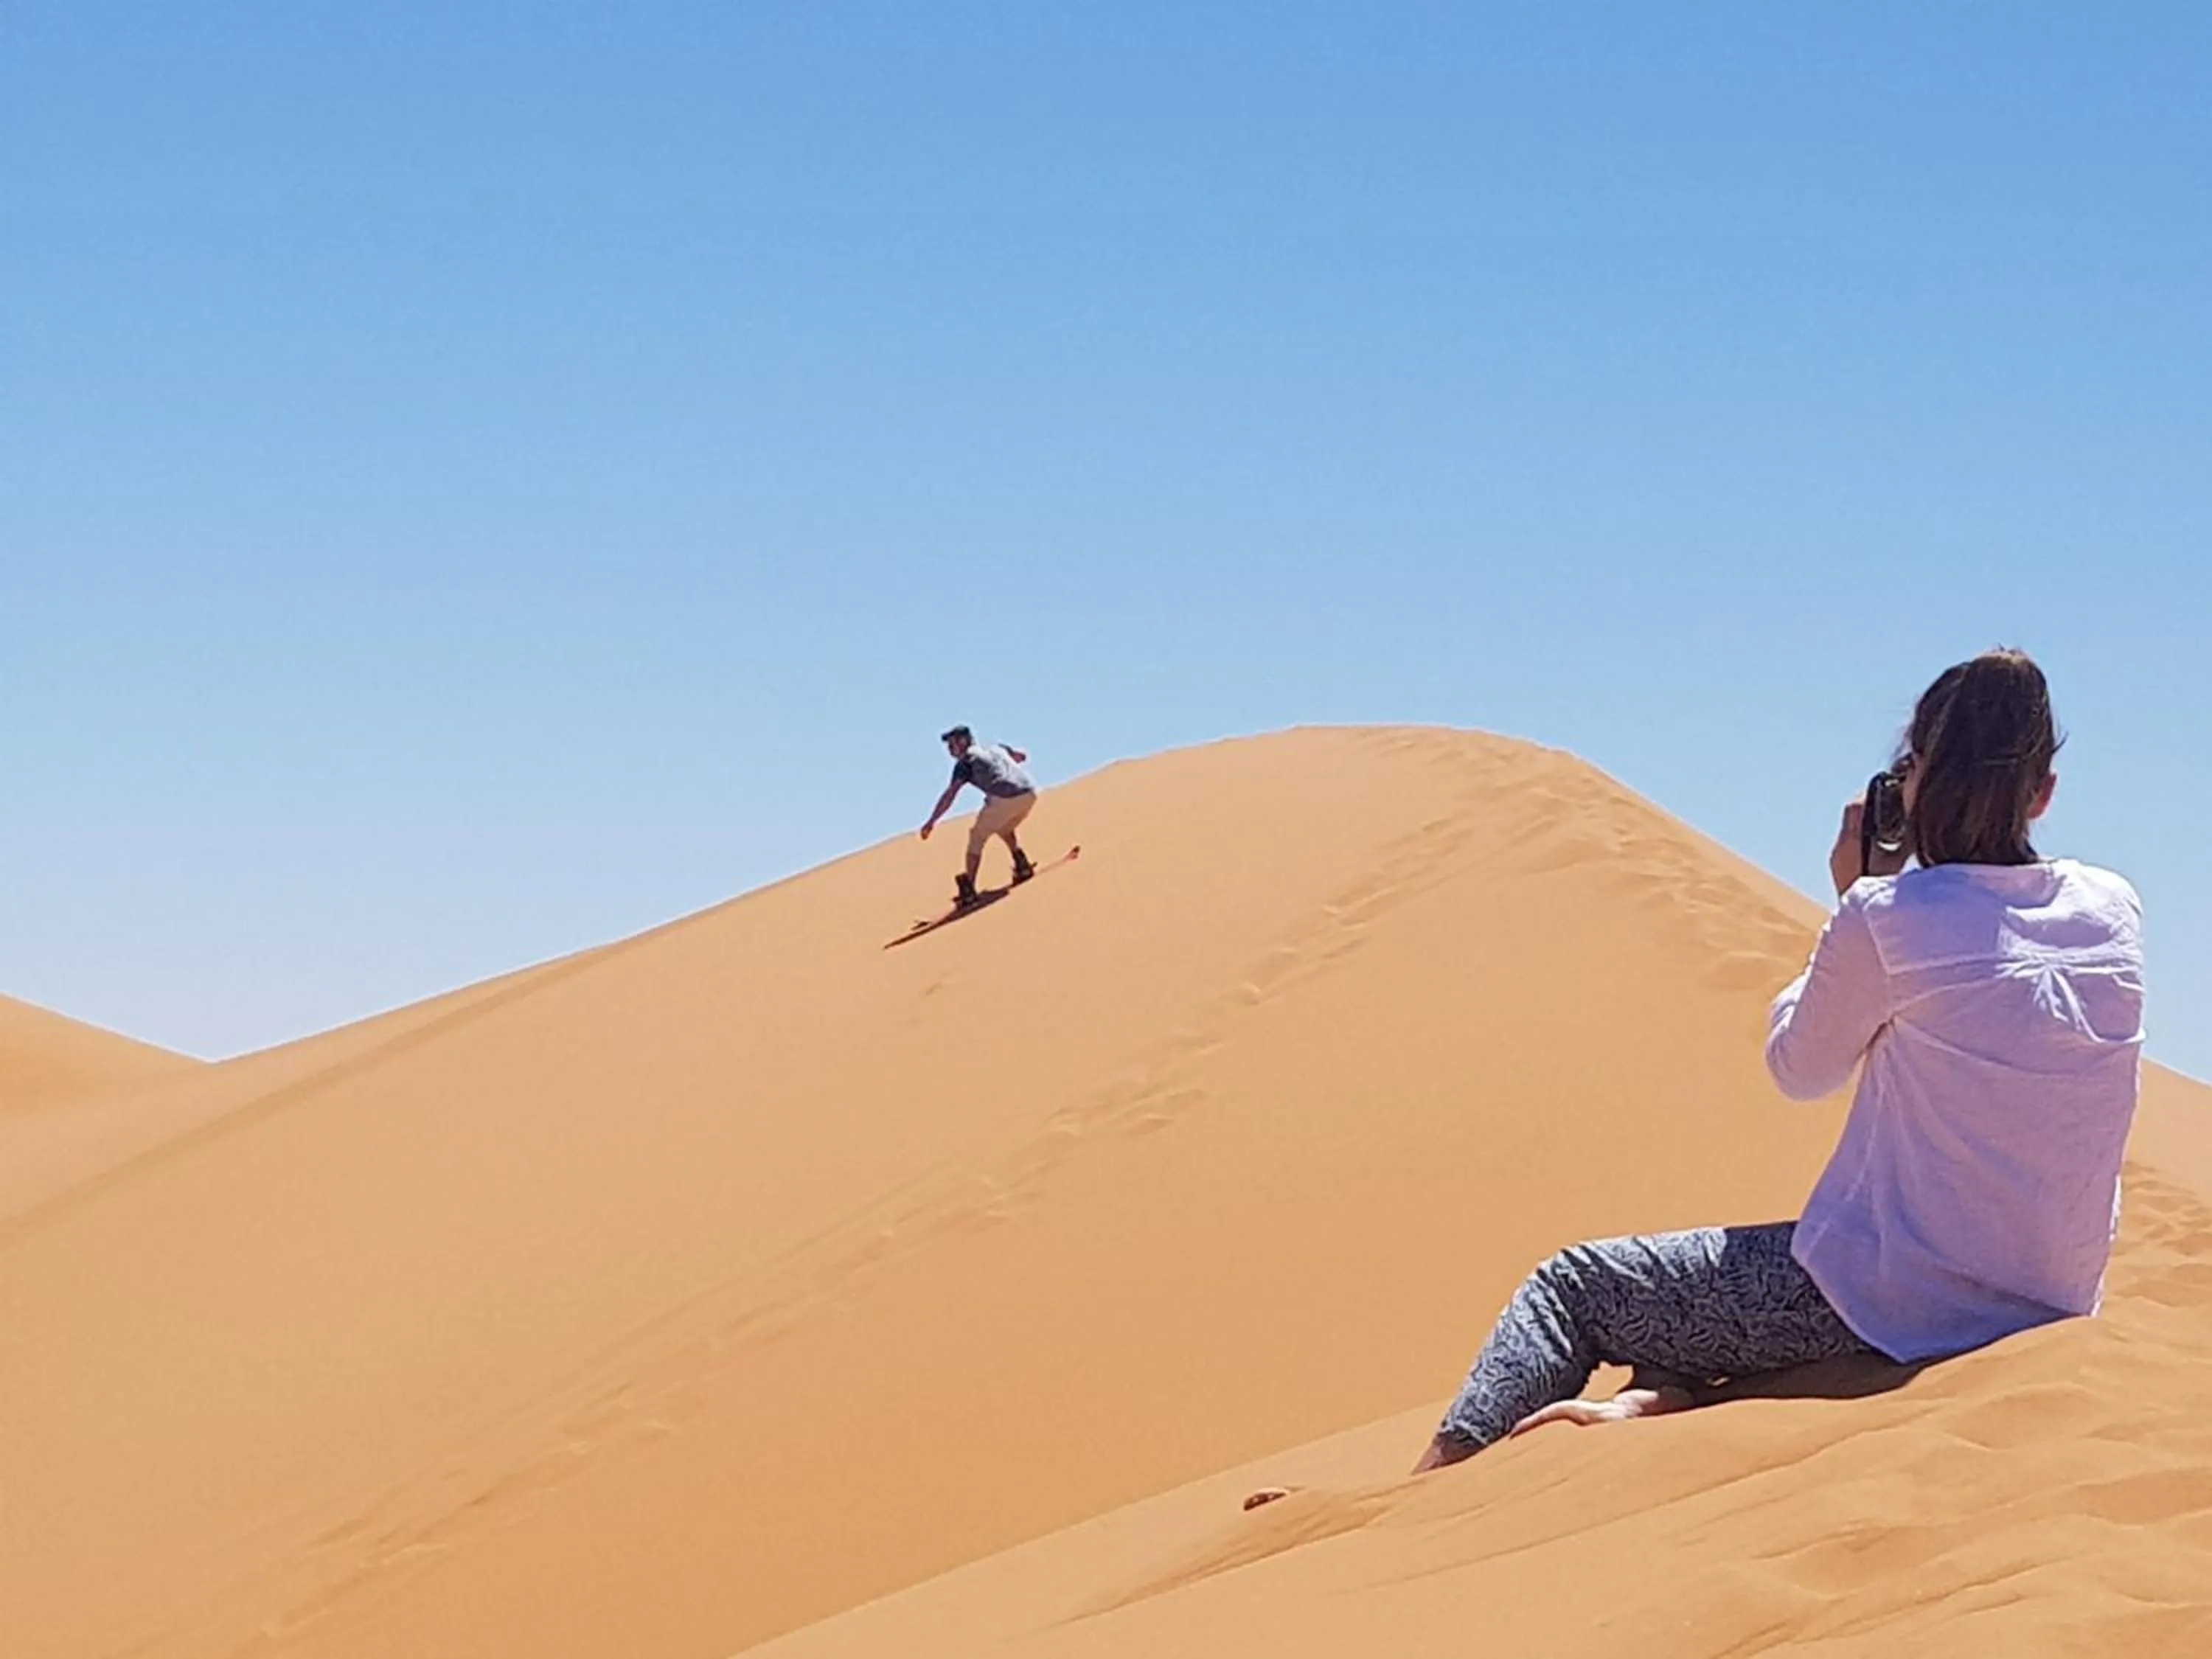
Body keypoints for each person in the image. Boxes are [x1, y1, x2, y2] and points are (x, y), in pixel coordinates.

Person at [1410, 647, 2146, 1474]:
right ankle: (1664, 1395)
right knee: (1706, 1296)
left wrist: (1851, 906)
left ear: (1911, 784)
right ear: (2044, 793)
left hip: (1896, 1301)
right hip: (2052, 1302)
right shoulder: (2114, 907)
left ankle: (1422, 1491)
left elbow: (1800, 1068)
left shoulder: (1889, 916)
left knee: (1576, 1286)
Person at [919, 725, 1040, 908]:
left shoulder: (966, 762)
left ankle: (969, 890)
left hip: (1006, 797)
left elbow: (951, 794)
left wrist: (932, 821)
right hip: (1030, 793)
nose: (950, 750)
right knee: (1003, 827)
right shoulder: (995, 748)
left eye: (952, 745)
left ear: (963, 742)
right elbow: (1020, 756)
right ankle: (1021, 863)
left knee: (977, 836)